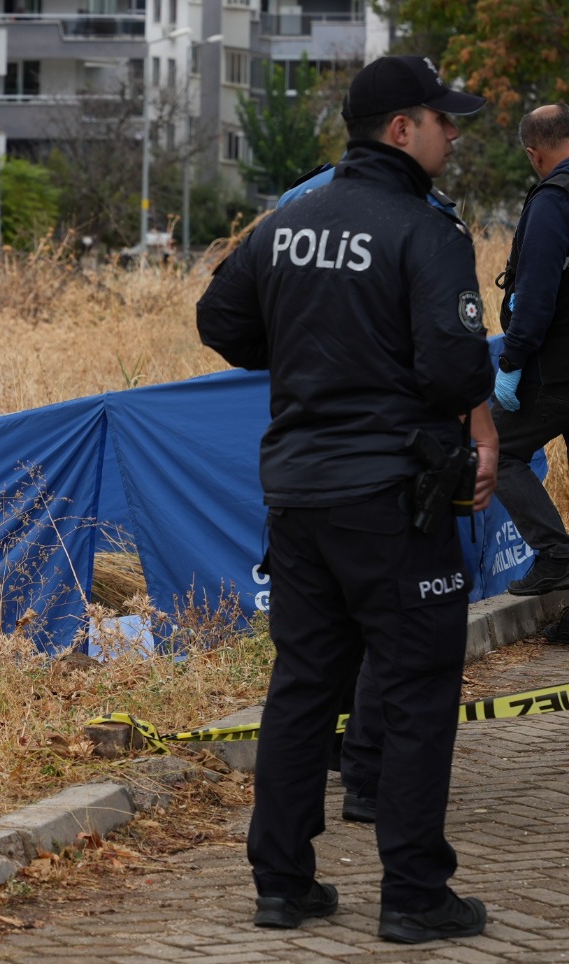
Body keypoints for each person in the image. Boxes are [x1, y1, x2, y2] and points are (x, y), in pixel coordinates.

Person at [196, 55, 497, 944]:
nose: (454, 133)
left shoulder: (288, 223)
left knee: (301, 687)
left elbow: (221, 323)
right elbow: (454, 367)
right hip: (393, 499)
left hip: (296, 494)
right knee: (414, 689)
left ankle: (282, 885)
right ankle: (414, 896)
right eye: (444, 120)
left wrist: (310, 350)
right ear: (400, 130)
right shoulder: (426, 231)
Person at [489, 104, 569, 599]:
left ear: (533, 153)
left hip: (554, 370)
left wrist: (512, 362)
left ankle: (556, 554)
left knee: (494, 449)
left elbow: (536, 295)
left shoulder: (553, 199)